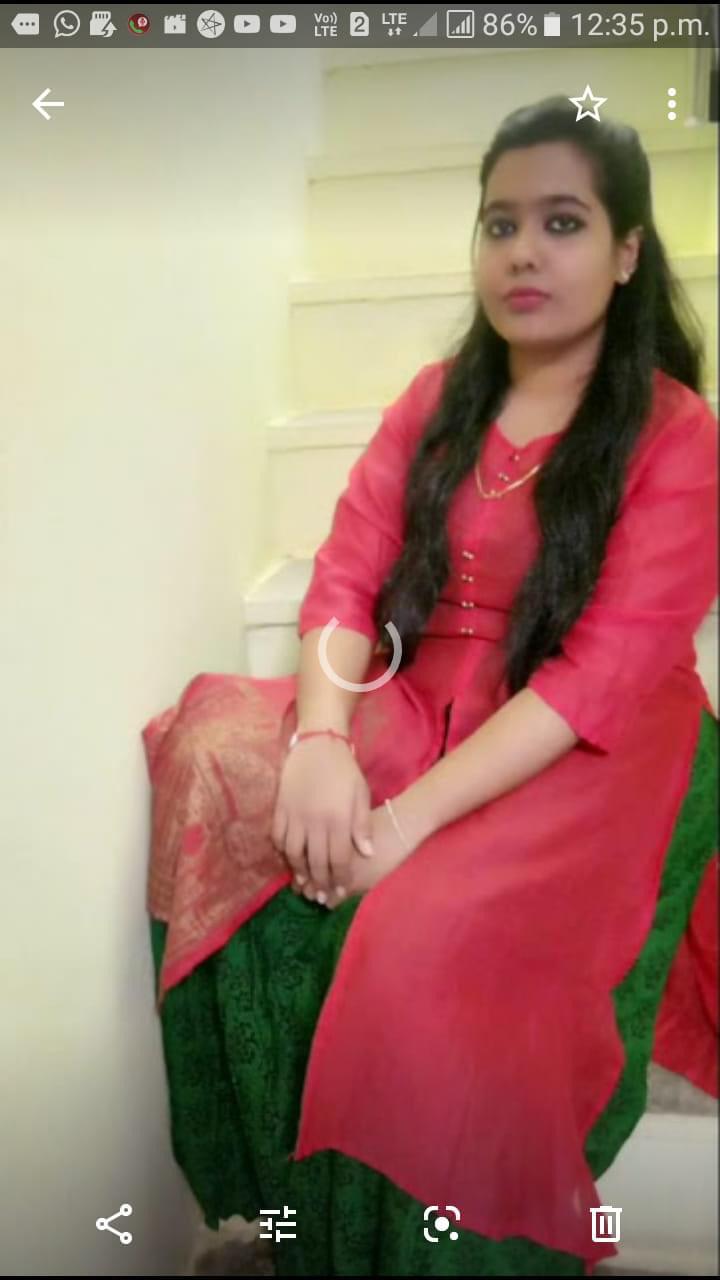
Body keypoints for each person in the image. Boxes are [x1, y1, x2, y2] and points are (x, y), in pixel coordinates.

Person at [144, 97, 719, 1277]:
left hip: (584, 742)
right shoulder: (437, 398)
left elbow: (599, 675)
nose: (523, 251)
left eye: (562, 222)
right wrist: (319, 740)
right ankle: (285, 1211)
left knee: (417, 936)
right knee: (212, 755)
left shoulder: (678, 434)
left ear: (625, 253)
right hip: (422, 695)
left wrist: (401, 824)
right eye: (500, 223)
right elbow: (346, 576)